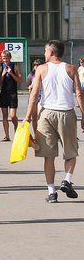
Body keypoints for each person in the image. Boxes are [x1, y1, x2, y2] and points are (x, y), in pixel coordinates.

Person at [24, 40, 84, 202]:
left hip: (47, 114)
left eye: (45, 51)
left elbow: (34, 95)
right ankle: (67, 180)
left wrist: (28, 117)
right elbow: (79, 94)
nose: (44, 54)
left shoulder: (41, 69)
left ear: (51, 52)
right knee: (71, 152)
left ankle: (51, 192)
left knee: (48, 155)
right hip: (67, 113)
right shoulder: (71, 69)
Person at [0, 50, 22, 140]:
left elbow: (20, 80)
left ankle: (17, 129)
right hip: (4, 93)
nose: (5, 60)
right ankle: (6, 136)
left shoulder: (15, 66)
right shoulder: (0, 67)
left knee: (13, 115)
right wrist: (3, 75)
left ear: (10, 58)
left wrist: (11, 73)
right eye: (3, 58)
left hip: (12, 94)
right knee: (4, 116)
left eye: (6, 58)